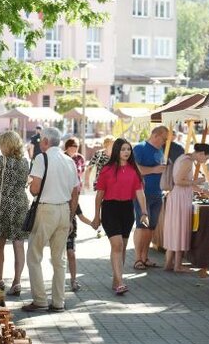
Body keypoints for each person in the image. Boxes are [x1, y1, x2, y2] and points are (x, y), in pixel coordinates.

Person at [22, 127, 79, 313]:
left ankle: (40, 300)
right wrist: (70, 217)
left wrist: (30, 188)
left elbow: (35, 189)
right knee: (59, 259)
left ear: (46, 141)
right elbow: (75, 191)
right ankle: (58, 302)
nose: (39, 143)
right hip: (64, 210)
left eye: (41, 140)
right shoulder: (69, 160)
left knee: (34, 255)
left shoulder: (41, 158)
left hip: (46, 210)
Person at [92, 138, 148, 295]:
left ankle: (117, 279)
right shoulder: (107, 170)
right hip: (110, 208)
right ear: (117, 151)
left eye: (128, 149)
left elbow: (140, 193)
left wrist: (144, 212)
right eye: (123, 149)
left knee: (122, 246)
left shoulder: (133, 170)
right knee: (116, 245)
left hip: (127, 209)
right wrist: (97, 216)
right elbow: (99, 195)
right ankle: (120, 282)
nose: (126, 152)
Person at [0, 131, 31, 296]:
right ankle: (17, 282)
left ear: (6, 145)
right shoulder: (25, 162)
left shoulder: (1, 160)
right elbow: (26, 181)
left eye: (1, 144)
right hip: (21, 203)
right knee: (18, 242)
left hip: (3, 204)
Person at [163, 144, 209, 272]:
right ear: (201, 153)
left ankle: (170, 263)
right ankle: (177, 265)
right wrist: (196, 182)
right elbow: (179, 181)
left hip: (178, 196)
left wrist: (201, 190)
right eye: (206, 158)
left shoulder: (184, 158)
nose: (205, 161)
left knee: (175, 229)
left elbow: (183, 182)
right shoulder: (188, 162)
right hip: (180, 198)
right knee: (180, 229)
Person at [132, 125, 168, 270]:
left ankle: (145, 257)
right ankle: (137, 259)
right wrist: (154, 169)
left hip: (157, 193)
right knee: (142, 226)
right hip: (143, 193)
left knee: (151, 228)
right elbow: (135, 170)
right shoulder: (140, 148)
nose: (164, 142)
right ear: (156, 135)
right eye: (164, 138)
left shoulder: (159, 150)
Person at [63, 136, 90, 292]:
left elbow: (80, 215)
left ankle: (73, 280)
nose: (75, 148)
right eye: (72, 146)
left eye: (77, 146)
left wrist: (94, 223)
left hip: (70, 225)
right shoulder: (63, 158)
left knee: (71, 253)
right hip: (58, 221)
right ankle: (59, 280)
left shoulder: (80, 158)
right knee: (59, 255)